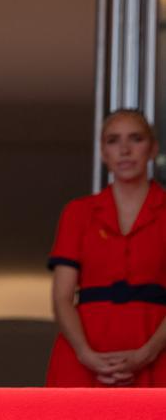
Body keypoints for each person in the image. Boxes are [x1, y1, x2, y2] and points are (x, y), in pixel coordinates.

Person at [46, 108, 166, 387]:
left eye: (135, 138)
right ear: (102, 152)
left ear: (153, 149)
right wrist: (85, 354)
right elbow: (62, 297)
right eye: (113, 140)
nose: (124, 149)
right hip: (84, 354)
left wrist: (148, 353)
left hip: (157, 350)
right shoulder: (78, 213)